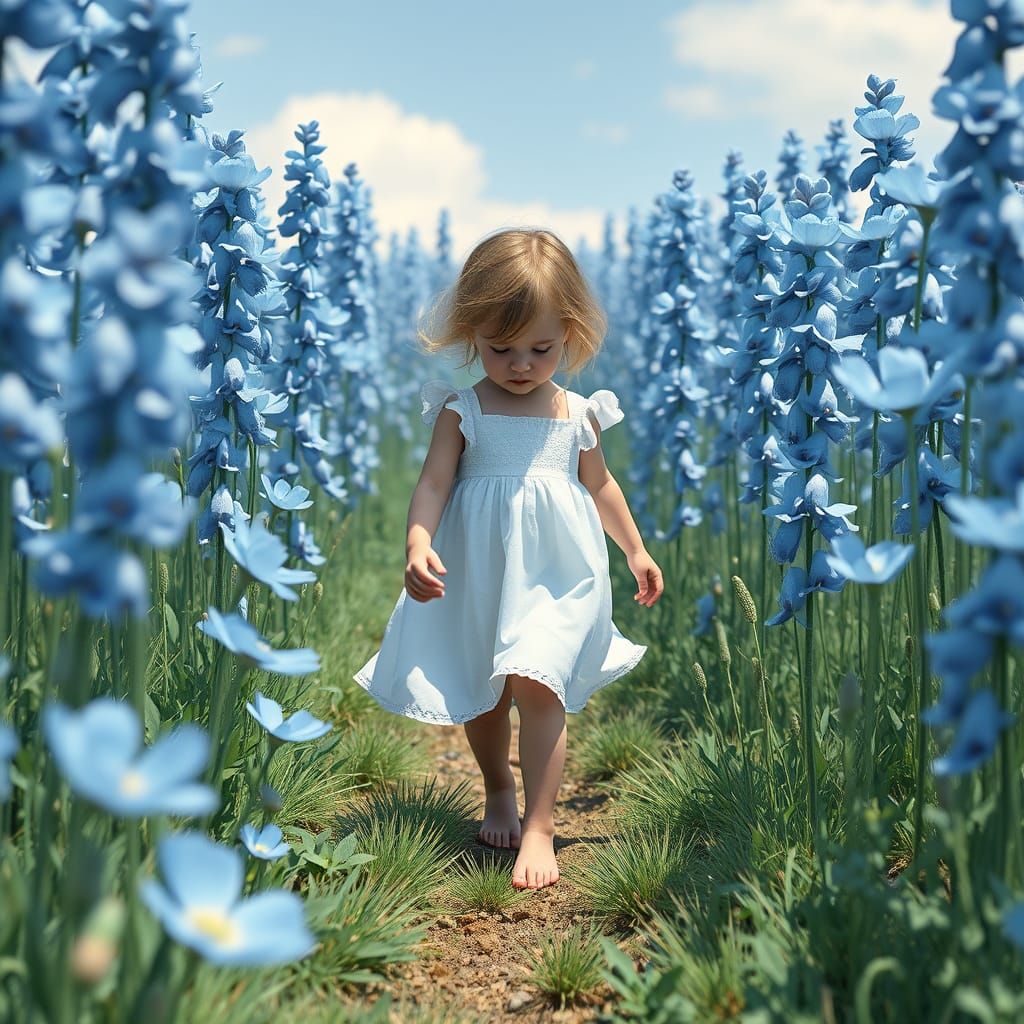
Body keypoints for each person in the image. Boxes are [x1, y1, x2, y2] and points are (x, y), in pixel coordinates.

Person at [353, 228, 663, 890]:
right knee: (487, 693)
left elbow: (602, 487)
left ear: (570, 334)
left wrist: (635, 549)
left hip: (555, 574)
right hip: (480, 571)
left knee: (540, 685)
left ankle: (541, 824)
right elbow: (433, 484)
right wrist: (418, 542)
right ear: (472, 334)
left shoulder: (578, 414)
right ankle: (498, 788)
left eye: (540, 350)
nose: (520, 364)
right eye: (500, 349)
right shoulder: (461, 410)